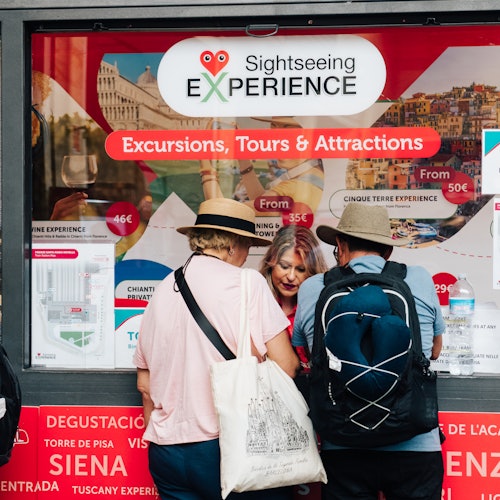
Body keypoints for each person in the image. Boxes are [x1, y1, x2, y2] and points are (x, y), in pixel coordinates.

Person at [133, 197, 300, 500]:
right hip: (228, 447)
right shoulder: (247, 283)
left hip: (166, 453)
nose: (247, 255)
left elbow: (144, 385)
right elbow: (286, 366)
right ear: (232, 245)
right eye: (248, 246)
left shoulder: (161, 290)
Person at [292, 202, 445, 500]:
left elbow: (306, 350)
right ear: (387, 252)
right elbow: (435, 351)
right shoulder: (418, 279)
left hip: (343, 445)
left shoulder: (313, 287)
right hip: (414, 443)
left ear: (341, 245)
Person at [259, 224, 328, 372]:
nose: (290, 277)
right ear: (271, 264)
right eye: (284, 266)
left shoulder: (321, 306)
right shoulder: (256, 302)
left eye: (300, 269)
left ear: (312, 272)